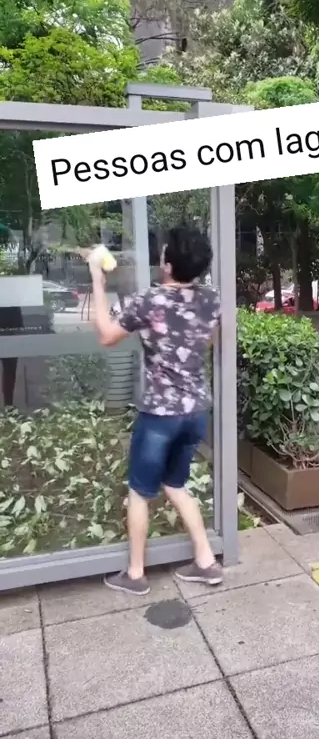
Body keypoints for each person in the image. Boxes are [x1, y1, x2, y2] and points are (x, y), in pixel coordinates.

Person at [86, 225, 223, 596]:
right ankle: (206, 562)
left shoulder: (148, 301)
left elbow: (106, 335)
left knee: (139, 492)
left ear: (167, 264)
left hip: (160, 416)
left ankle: (135, 574)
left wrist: (97, 278)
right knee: (175, 484)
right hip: (196, 412)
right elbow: (212, 340)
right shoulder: (211, 300)